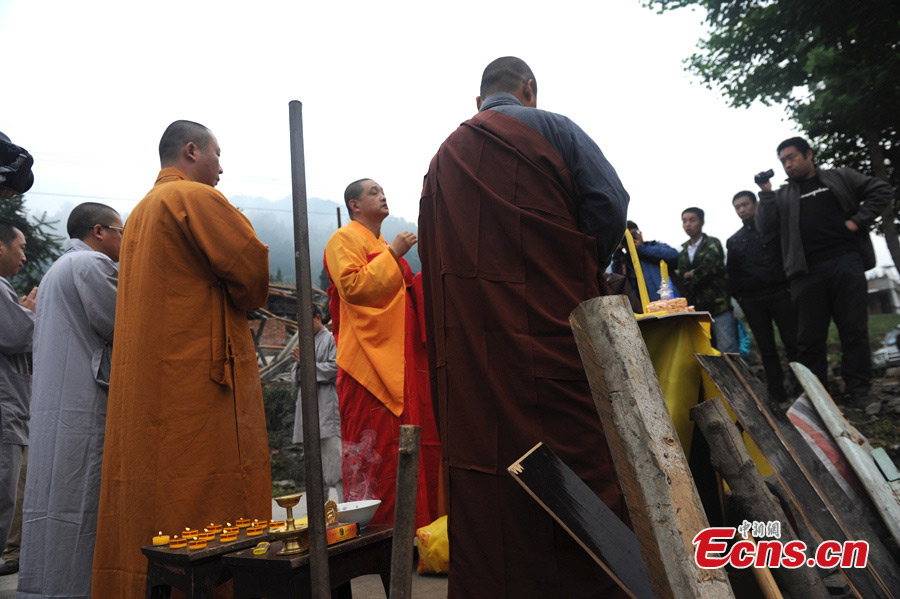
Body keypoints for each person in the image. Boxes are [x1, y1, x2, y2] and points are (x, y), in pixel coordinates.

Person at [419, 56, 630, 598]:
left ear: (478, 101)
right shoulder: (552, 127)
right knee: (575, 448)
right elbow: (610, 202)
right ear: (528, 89)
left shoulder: (444, 157)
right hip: (551, 328)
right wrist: (572, 269)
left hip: (475, 350)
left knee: (487, 461)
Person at [91, 121, 271, 598]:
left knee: (153, 491)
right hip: (197, 379)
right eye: (216, 154)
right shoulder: (194, 198)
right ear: (191, 151)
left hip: (152, 381)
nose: (221, 168)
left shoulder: (140, 212)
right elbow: (251, 271)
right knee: (206, 494)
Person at [17, 203, 121, 598]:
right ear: (99, 232)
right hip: (83, 401)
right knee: (81, 500)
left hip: (56, 402)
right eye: (120, 231)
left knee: (51, 499)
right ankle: (77, 588)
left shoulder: (57, 268)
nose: (123, 240)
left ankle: (46, 586)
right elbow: (123, 319)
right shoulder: (91, 265)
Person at [323, 178, 438, 530]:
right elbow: (354, 287)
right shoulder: (343, 239)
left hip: (402, 360)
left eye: (382, 190)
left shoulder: (382, 242)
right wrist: (392, 256)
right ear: (355, 206)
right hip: (368, 364)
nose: (382, 195)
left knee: (412, 444)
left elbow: (406, 295)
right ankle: (379, 532)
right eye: (373, 191)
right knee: (379, 450)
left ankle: (416, 531)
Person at [756, 137, 893, 405]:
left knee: (853, 329)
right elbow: (765, 227)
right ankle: (818, 398)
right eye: (783, 160)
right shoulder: (783, 195)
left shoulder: (839, 177)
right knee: (809, 339)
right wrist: (765, 192)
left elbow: (881, 190)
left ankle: (859, 391)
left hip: (846, 262)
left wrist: (858, 221)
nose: (787, 164)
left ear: (809, 155)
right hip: (806, 272)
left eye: (792, 157)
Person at [727, 191, 798, 405]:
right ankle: (777, 393)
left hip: (780, 293)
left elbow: (787, 256)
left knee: (792, 343)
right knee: (766, 348)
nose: (742, 210)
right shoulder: (734, 240)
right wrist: (741, 297)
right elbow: (733, 273)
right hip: (752, 300)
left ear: (756, 204)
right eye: (737, 207)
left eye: (745, 205)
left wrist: (788, 287)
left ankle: (800, 387)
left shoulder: (772, 231)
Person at [0, 218, 34, 572]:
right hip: (4, 407)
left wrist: (21, 312)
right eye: (21, 247)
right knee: (3, 499)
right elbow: (16, 336)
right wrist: (32, 313)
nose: (24, 256)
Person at [291, 305, 342, 502]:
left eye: (305, 321)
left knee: (335, 469)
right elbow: (294, 377)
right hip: (307, 409)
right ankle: (321, 518)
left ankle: (346, 513)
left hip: (325, 408)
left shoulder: (330, 339)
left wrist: (307, 363)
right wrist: (301, 364)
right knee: (315, 474)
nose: (301, 327)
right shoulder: (305, 342)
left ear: (318, 317)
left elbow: (334, 368)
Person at [676, 207, 739, 353]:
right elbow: (681, 277)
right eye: (684, 221)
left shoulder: (712, 243)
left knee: (729, 352)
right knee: (708, 353)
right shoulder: (684, 251)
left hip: (719, 308)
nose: (688, 224)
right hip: (698, 313)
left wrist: (689, 274)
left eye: (692, 220)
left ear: (701, 222)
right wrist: (688, 275)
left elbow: (709, 269)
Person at [612, 220, 681, 304]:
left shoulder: (654, 246)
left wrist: (641, 248)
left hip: (670, 302)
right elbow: (618, 280)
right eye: (626, 237)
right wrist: (617, 251)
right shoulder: (623, 260)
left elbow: (674, 256)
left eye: (633, 234)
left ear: (640, 233)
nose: (630, 239)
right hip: (644, 308)